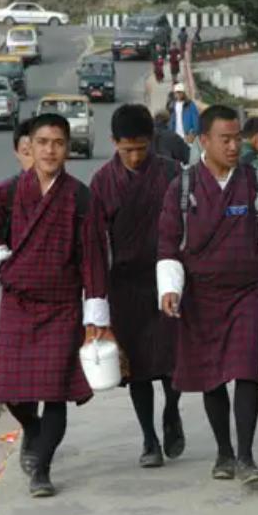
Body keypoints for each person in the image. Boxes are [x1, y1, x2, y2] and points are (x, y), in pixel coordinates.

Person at [157, 104, 258, 484]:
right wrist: (169, 289)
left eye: (237, 138)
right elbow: (168, 244)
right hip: (200, 295)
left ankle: (246, 456)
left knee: (247, 372)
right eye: (225, 139)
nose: (233, 147)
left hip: (247, 293)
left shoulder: (257, 183)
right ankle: (224, 452)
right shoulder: (183, 188)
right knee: (212, 376)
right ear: (202, 141)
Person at [0, 112, 93, 498]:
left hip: (62, 305)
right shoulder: (5, 193)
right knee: (10, 390)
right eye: (42, 142)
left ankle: (41, 470)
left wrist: (96, 312)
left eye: (58, 143)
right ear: (29, 146)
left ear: (67, 150)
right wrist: (3, 267)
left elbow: (91, 257)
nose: (49, 150)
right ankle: (33, 429)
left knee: (56, 392)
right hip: (19, 301)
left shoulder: (79, 196)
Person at [83, 104, 185, 468]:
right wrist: (96, 303)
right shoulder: (102, 183)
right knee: (138, 367)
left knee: (173, 361)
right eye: (128, 149)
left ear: (152, 141)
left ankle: (172, 412)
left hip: (167, 281)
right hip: (125, 285)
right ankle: (149, 438)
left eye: (142, 147)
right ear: (114, 143)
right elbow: (95, 245)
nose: (136, 156)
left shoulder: (172, 174)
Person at [169, 83, 200, 160]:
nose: (178, 94)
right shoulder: (173, 105)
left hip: (187, 135)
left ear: (183, 93)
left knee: (189, 156)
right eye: (176, 93)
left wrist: (193, 132)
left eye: (180, 92)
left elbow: (195, 119)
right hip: (176, 135)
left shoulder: (190, 104)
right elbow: (171, 120)